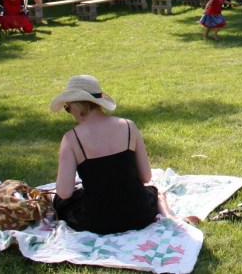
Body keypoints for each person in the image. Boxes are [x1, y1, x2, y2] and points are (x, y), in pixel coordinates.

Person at [50, 75, 175, 234]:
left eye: (67, 108)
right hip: (139, 214)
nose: (69, 112)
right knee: (151, 190)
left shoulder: (71, 138)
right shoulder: (129, 126)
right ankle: (163, 205)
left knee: (60, 201)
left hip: (96, 221)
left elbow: (64, 192)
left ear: (77, 105)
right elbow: (146, 177)